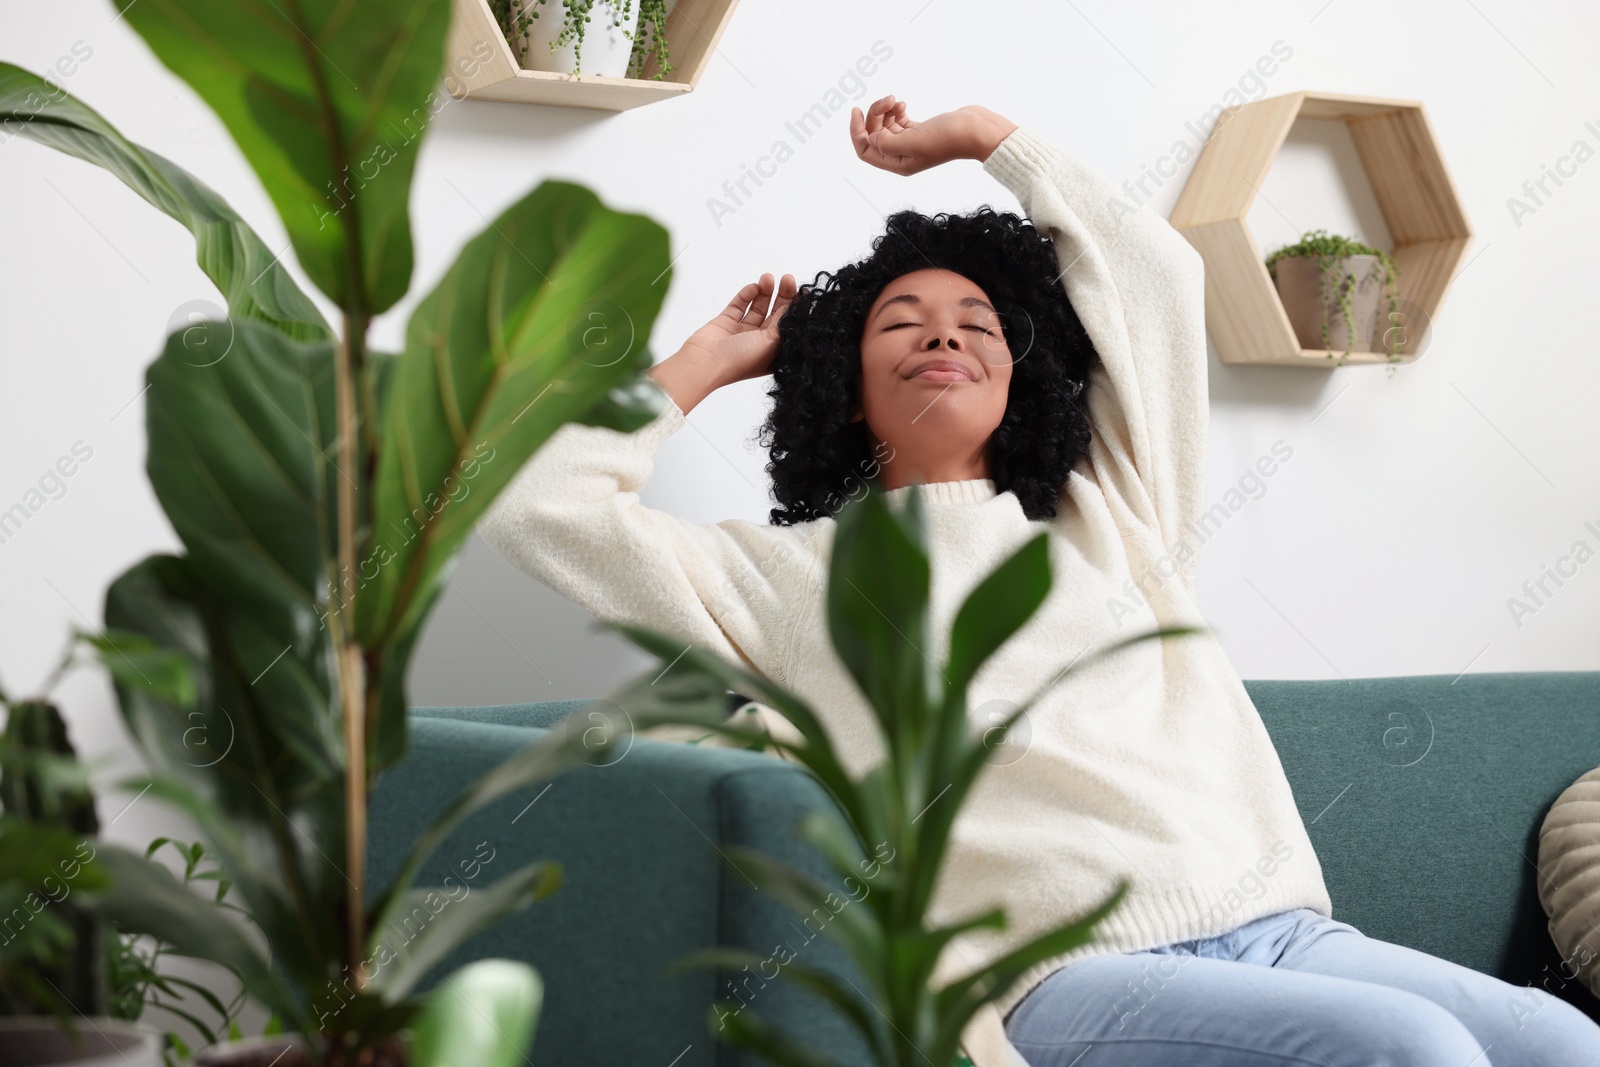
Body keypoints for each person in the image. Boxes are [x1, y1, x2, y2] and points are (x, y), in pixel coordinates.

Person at [478, 96, 1600, 1066]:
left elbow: (1153, 272)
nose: (945, 336)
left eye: (978, 322)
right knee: (1415, 1051)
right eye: (899, 322)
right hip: (1063, 972)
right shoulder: (783, 577)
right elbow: (540, 504)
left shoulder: (1113, 508)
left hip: (1276, 931)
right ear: (842, 379)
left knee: (1564, 1042)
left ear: (1019, 375)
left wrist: (981, 137)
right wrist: (702, 362)